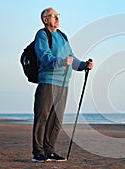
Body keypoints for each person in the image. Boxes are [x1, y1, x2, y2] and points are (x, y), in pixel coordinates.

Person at [32, 7, 93, 162]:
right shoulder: (42, 35)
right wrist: (60, 61)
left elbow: (71, 58)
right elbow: (44, 56)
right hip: (48, 81)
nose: (57, 18)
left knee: (56, 120)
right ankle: (38, 153)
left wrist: (84, 65)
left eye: (58, 15)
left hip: (64, 84)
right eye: (53, 16)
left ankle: (49, 150)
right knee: (42, 117)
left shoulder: (62, 36)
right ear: (46, 20)